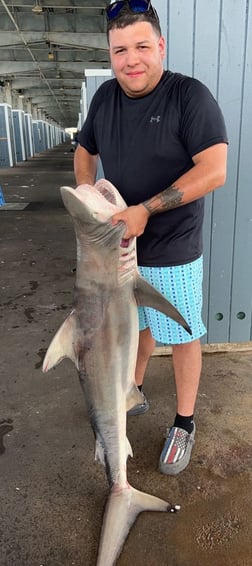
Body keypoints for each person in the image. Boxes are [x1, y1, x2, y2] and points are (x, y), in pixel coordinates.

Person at [74, 0, 228, 475]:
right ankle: (131, 389)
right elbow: (85, 150)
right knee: (132, 324)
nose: (131, 59)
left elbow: (215, 170)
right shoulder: (104, 98)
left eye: (141, 46)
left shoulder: (189, 96)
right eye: (120, 50)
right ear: (110, 54)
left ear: (160, 46)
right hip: (117, 243)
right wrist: (85, 197)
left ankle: (184, 422)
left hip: (172, 243)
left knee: (181, 332)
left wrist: (146, 209)